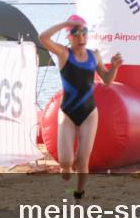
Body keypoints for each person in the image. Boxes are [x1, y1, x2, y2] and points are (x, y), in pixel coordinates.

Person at [39, 16, 123, 201]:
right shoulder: (63, 53)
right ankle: (65, 170)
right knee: (66, 163)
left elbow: (107, 80)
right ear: (69, 36)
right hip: (67, 113)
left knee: (83, 161)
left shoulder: (95, 55)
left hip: (89, 113)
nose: (81, 36)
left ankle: (79, 194)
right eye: (75, 33)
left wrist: (114, 67)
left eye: (84, 32)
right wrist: (64, 24)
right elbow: (43, 37)